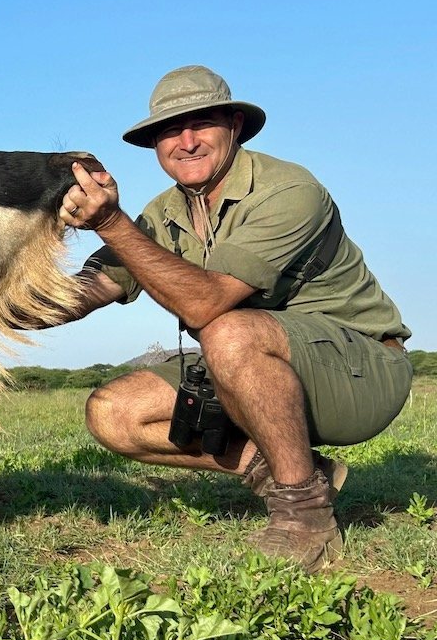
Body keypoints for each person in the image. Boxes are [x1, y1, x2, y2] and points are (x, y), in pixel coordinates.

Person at [54, 65, 412, 571]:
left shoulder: (289, 190)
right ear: (155, 145)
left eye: (202, 124)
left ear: (235, 127)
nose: (187, 141)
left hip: (362, 371)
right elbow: (84, 293)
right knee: (113, 413)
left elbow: (204, 305)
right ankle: (301, 474)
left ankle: (304, 516)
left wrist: (110, 223)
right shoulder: (161, 213)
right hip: (252, 360)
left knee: (226, 329)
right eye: (169, 131)